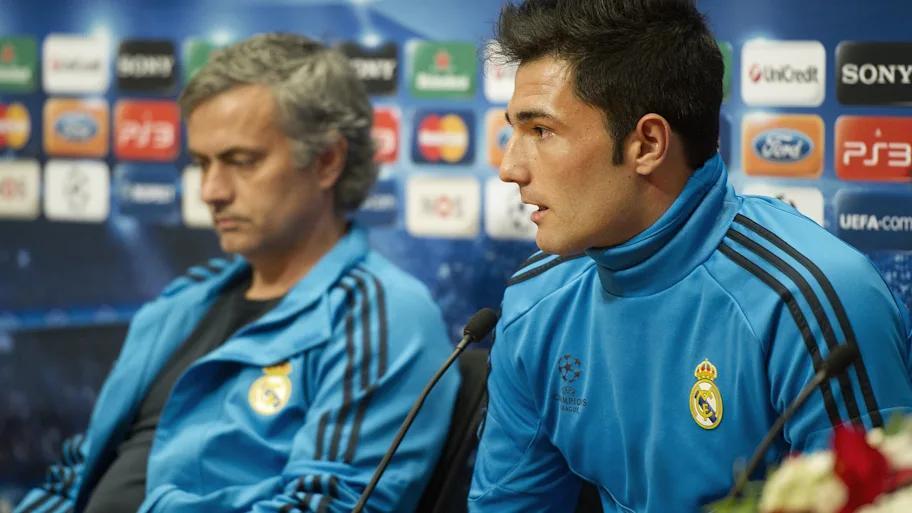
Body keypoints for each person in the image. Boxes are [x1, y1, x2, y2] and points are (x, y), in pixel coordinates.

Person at [469, 1, 912, 512]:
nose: (509, 167)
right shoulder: (535, 299)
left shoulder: (809, 298)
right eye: (514, 130)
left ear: (647, 144)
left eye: (540, 131)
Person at [15, 33, 458, 513]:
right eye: (202, 163)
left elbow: (326, 506)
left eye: (240, 162)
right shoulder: (184, 300)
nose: (211, 190)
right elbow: (73, 481)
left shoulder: (380, 314)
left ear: (327, 160)